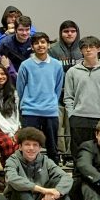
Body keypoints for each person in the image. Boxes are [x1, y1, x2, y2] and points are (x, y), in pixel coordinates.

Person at [4, 127, 93, 200]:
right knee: (19, 184)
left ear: (40, 148)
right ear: (20, 146)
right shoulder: (13, 160)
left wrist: (57, 192)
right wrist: (43, 190)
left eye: (35, 145)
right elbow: (12, 178)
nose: (31, 148)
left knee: (58, 181)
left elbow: (66, 177)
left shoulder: (46, 161)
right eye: (27, 144)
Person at [64, 36, 100, 149]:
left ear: (99, 49)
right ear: (80, 51)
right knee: (79, 152)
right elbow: (68, 97)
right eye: (84, 47)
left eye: (91, 47)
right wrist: (72, 115)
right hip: (79, 118)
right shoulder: (72, 71)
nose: (88, 50)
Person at [16, 32, 64, 162]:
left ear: (48, 45)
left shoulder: (57, 65)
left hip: (50, 111)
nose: (40, 45)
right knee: (29, 146)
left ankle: (53, 175)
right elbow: (20, 89)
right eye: (36, 43)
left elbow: (58, 88)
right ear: (32, 46)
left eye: (43, 42)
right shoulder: (25, 65)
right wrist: (28, 101)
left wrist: (51, 101)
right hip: (30, 111)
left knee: (52, 148)